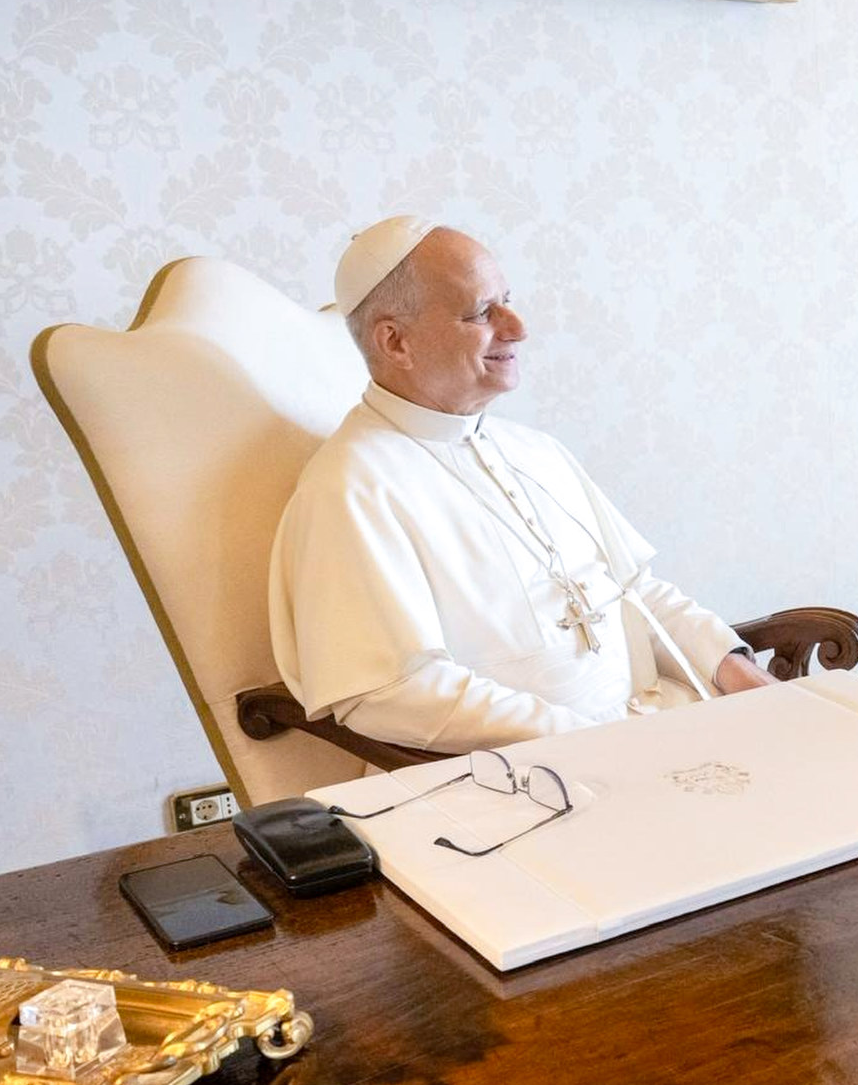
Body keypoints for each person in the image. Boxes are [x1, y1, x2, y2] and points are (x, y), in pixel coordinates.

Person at [269, 216, 775, 754]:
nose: (517, 326)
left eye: (506, 300)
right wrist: (593, 743)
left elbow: (635, 593)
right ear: (395, 341)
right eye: (482, 312)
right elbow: (390, 690)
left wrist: (736, 672)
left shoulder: (535, 450)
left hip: (655, 730)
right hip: (529, 779)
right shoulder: (353, 487)